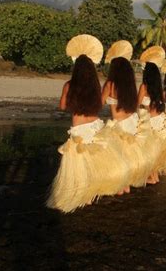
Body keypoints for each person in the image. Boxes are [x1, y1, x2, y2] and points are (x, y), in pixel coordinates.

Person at [46, 55, 129, 212]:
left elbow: (62, 106)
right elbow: (98, 105)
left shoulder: (69, 85)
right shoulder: (95, 86)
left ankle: (87, 195)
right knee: (97, 162)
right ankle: (101, 189)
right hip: (96, 126)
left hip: (80, 129)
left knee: (82, 165)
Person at [101, 57, 159, 190]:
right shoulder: (130, 84)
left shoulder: (110, 84)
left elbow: (99, 103)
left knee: (119, 155)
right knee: (135, 153)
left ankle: (124, 185)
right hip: (132, 120)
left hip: (120, 123)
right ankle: (140, 178)